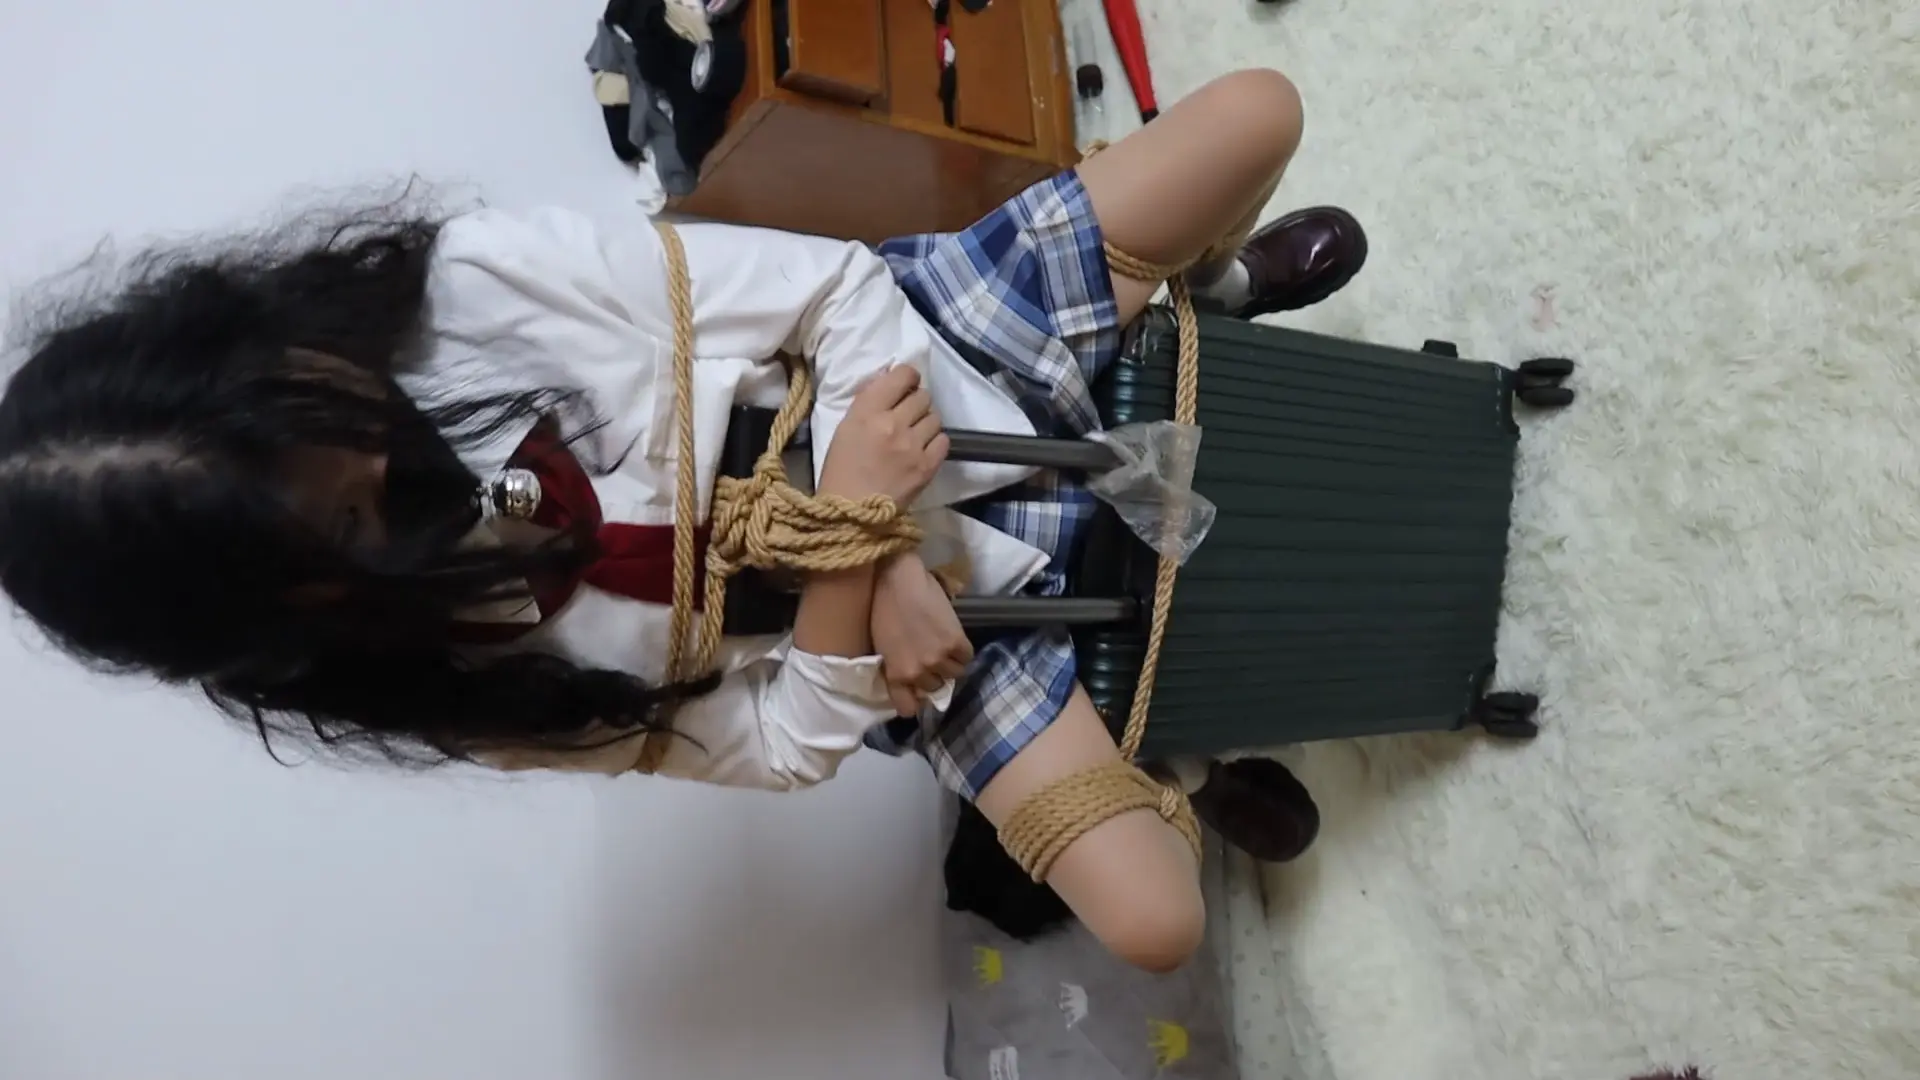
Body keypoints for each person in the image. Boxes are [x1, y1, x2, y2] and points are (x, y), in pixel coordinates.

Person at [0, 69, 1364, 972]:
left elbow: (833, 290)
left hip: (943, 356)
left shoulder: (469, 291)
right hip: (953, 640)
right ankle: (1184, 759)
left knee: (1256, 111)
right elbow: (775, 745)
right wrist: (858, 568)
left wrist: (866, 516)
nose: (375, 459)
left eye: (323, 413)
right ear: (286, 615)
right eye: (344, 522)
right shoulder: (460, 680)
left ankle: (1216, 299)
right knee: (1155, 922)